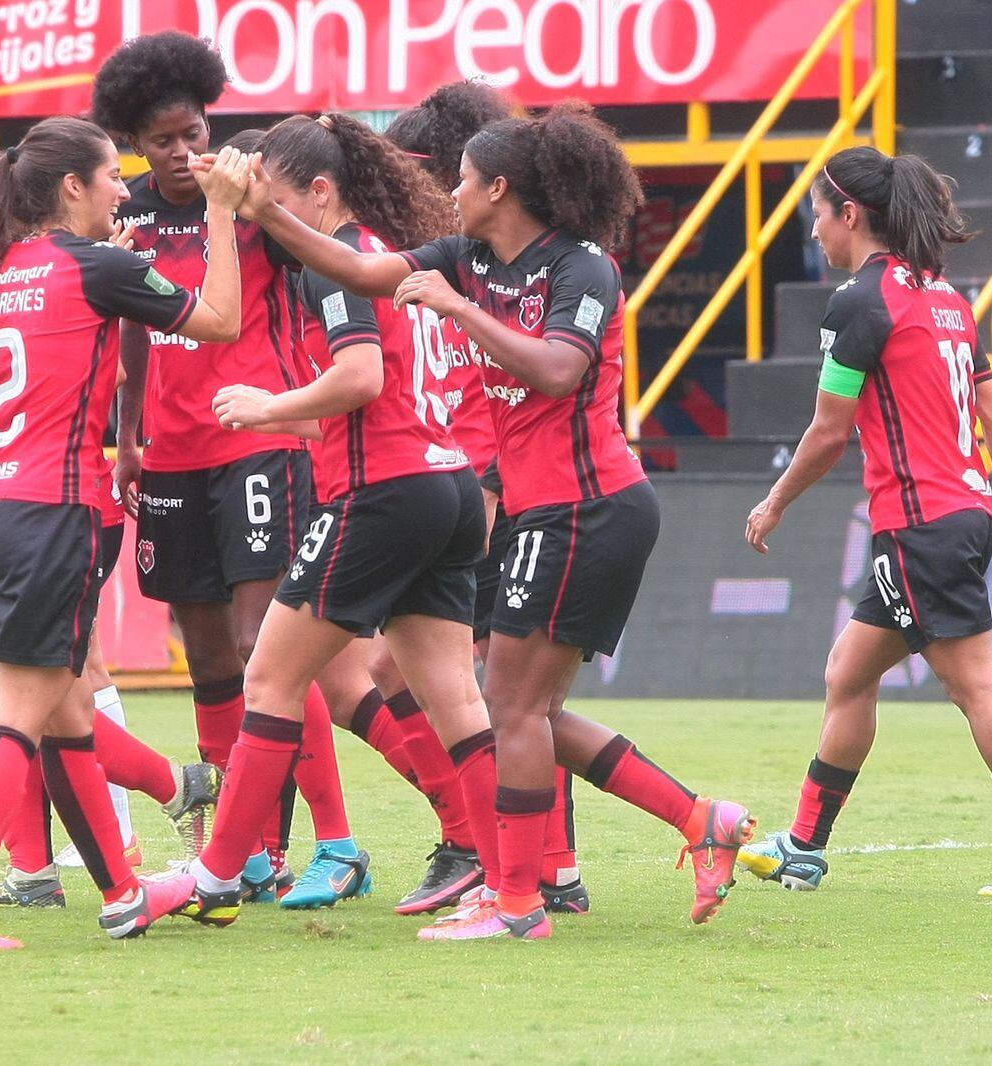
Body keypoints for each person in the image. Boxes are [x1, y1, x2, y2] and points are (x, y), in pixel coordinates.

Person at [234, 101, 754, 941]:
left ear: (500, 187)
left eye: (466, 178)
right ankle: (696, 821)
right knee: (527, 711)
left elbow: (557, 370)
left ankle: (516, 902)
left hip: (588, 505)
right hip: (540, 508)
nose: (453, 192)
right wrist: (265, 213)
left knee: (510, 708)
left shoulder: (582, 268)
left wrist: (460, 310)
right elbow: (359, 270)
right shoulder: (468, 256)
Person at [0, 116, 251, 949]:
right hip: (54, 513)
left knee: (68, 714)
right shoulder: (94, 265)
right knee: (20, 715)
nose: (123, 190)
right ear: (72, 185)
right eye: (112, 175)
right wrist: (219, 211)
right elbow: (221, 320)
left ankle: (124, 892)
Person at [173, 112, 506, 934]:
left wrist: (266, 407)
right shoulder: (388, 255)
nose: (272, 223)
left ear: (320, 193)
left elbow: (359, 379)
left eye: (280, 204)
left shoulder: (339, 262)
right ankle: (512, 881)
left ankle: (217, 875)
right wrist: (287, 418)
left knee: (269, 680)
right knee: (456, 699)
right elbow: (368, 405)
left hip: (383, 493)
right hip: (445, 485)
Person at [738, 146, 992, 898]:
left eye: (817, 216)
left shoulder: (860, 302)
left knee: (976, 685)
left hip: (919, 523)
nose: (815, 232)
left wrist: (775, 502)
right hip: (959, 513)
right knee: (849, 671)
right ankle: (804, 848)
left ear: (850, 214)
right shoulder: (945, 298)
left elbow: (829, 431)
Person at [91, 32, 372, 909]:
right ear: (136, 144)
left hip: (259, 441)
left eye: (194, 132)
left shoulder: (250, 202)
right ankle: (245, 850)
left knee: (265, 648)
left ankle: (336, 840)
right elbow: (133, 325)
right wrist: (129, 438)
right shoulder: (129, 214)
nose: (184, 152)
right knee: (208, 656)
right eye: (163, 140)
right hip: (171, 455)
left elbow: (331, 259)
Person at [371, 80, 587, 916]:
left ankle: (497, 850)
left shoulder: (499, 267)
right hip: (477, 482)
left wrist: (489, 490)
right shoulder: (461, 259)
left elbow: (505, 388)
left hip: (497, 490)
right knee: (509, 694)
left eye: (429, 170)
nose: (428, 186)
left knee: (504, 693)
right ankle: (529, 860)